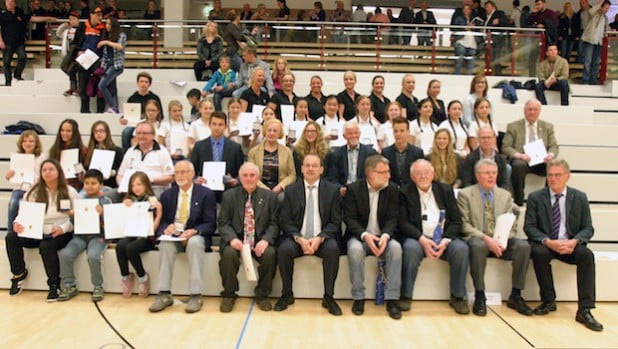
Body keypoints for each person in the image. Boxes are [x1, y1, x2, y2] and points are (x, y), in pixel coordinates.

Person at [524, 158, 603, 331]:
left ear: (568, 176)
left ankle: (585, 309)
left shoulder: (579, 197)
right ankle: (548, 300)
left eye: (557, 175)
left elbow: (588, 228)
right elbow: (529, 227)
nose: (553, 179)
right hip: (548, 243)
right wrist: (547, 241)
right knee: (538, 252)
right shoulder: (536, 197)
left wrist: (575, 241)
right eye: (550, 175)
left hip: (570, 244)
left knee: (587, 255)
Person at [457, 159, 533, 317]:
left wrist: (503, 240)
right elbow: (464, 225)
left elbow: (512, 224)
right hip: (479, 238)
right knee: (477, 246)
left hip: (500, 240)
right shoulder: (465, 194)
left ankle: (516, 294)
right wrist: (487, 239)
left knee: (523, 246)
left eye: (494, 173)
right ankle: (480, 294)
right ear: (478, 175)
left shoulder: (505, 195)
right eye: (487, 173)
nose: (491, 176)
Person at [398, 159, 470, 314]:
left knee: (461, 249)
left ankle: (458, 296)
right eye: (418, 173)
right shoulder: (404, 192)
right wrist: (422, 240)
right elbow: (403, 223)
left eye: (426, 173)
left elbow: (457, 220)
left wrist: (446, 240)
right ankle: (405, 295)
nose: (423, 176)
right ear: (412, 177)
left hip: (444, 238)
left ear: (433, 174)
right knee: (410, 249)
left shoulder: (445, 190)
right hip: (418, 238)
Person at [276, 154, 342, 315]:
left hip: (322, 238)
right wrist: (299, 238)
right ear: (302, 168)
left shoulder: (332, 190)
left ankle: (329, 296)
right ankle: (286, 294)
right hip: (298, 238)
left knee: (333, 250)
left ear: (321, 169)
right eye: (307, 165)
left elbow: (336, 221)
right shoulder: (291, 190)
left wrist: (319, 238)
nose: (311, 168)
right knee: (284, 250)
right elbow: (285, 220)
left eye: (314, 165)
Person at [148, 161, 216, 314]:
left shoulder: (206, 194)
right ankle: (164, 294)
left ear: (192, 174)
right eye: (177, 172)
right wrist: (167, 227)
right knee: (164, 245)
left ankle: (196, 295)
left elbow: (210, 224)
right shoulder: (167, 194)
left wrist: (194, 231)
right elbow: (163, 220)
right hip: (175, 237)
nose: (180, 175)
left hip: (195, 235)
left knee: (195, 244)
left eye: (184, 172)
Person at [8, 159, 80, 301]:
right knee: (11, 237)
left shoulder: (69, 191)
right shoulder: (33, 191)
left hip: (61, 231)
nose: (47, 172)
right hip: (37, 230)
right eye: (44, 170)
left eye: (50, 169)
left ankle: (54, 285)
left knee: (46, 246)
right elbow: (23, 213)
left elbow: (79, 218)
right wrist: (17, 223)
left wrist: (63, 228)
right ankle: (19, 274)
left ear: (58, 171)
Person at [344, 155, 402, 319]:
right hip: (360, 236)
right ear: (371, 174)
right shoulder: (354, 189)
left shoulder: (392, 189)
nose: (388, 176)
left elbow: (393, 218)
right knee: (355, 251)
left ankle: (392, 298)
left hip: (383, 236)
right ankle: (358, 297)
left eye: (388, 172)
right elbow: (349, 219)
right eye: (384, 172)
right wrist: (364, 235)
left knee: (396, 249)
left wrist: (385, 235)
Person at [218, 162, 279, 312]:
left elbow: (275, 223)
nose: (249, 178)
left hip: (259, 240)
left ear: (258, 177)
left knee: (270, 254)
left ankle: (262, 295)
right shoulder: (229, 196)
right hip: (237, 240)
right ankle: (229, 294)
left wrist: (265, 240)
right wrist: (232, 239)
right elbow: (223, 223)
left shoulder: (270, 197)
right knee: (228, 254)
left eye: (252, 175)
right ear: (239, 177)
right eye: (245, 175)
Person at [57, 169, 111, 302]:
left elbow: (112, 224)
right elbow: (74, 224)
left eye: (93, 183)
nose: (90, 186)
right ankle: (69, 285)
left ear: (101, 185)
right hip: (80, 236)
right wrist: (72, 215)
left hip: (98, 236)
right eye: (87, 183)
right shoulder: (79, 201)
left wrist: (102, 214)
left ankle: (98, 286)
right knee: (65, 254)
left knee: (93, 256)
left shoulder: (106, 201)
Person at [5, 131, 47, 293]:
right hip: (20, 189)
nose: (28, 144)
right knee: (15, 201)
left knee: (26, 202)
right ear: (21, 143)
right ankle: (13, 232)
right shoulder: (18, 157)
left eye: (31, 141)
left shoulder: (41, 157)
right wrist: (9, 175)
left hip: (35, 191)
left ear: (36, 143)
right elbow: (12, 177)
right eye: (25, 141)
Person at [501, 98, 559, 206]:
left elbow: (554, 146)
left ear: (539, 111)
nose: (532, 112)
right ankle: (519, 200)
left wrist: (550, 155)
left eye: (535, 110)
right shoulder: (513, 126)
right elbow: (506, 147)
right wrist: (519, 155)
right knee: (517, 165)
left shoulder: (547, 127)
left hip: (541, 160)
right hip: (523, 160)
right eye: (530, 109)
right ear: (524, 110)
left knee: (553, 164)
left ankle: (547, 199)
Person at [116, 171, 162, 297]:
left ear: (146, 185)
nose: (135, 188)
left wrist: (159, 214)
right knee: (120, 246)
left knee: (131, 248)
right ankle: (125, 276)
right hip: (132, 234)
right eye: (133, 185)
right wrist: (125, 206)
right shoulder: (130, 200)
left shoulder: (152, 200)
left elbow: (153, 229)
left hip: (148, 236)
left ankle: (143, 277)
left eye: (139, 184)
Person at [0, 0, 56, 86]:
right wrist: (0, 41)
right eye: (7, 1)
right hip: (7, 42)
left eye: (11, 1)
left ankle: (17, 75)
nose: (9, 3)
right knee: (7, 62)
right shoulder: (2, 15)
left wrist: (48, 18)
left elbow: (33, 18)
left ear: (15, 3)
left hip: (19, 42)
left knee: (23, 57)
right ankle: (8, 81)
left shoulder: (20, 13)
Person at [191, 111, 243, 199]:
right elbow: (192, 171)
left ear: (225, 126)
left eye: (220, 125)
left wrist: (236, 180)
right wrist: (195, 180)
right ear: (209, 125)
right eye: (214, 124)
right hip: (204, 191)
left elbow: (240, 172)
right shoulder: (199, 146)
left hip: (228, 191)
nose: (217, 128)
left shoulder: (235, 147)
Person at [116, 121, 175, 198]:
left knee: (149, 200)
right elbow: (120, 175)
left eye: (144, 133)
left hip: (154, 187)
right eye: (138, 133)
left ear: (153, 135)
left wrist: (149, 180)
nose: (141, 136)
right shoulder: (130, 151)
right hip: (131, 189)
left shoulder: (162, 151)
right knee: (108, 196)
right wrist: (123, 185)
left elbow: (171, 177)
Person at [325, 122, 377, 196]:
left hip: (363, 192)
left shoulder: (370, 152)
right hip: (343, 192)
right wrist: (340, 188)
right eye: (350, 133)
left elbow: (373, 175)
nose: (354, 136)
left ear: (360, 134)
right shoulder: (336, 154)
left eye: (356, 133)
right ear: (344, 136)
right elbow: (332, 177)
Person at [248, 119, 296, 197]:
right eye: (269, 130)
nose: (271, 133)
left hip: (279, 190)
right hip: (259, 188)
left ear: (279, 133)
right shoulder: (253, 152)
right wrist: (264, 188)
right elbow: (250, 174)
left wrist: (280, 187)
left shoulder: (287, 152)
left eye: (275, 131)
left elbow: (292, 175)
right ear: (265, 131)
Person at [120, 72, 164, 151]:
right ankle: (127, 153)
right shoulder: (132, 98)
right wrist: (123, 119)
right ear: (137, 83)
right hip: (135, 124)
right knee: (126, 132)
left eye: (146, 82)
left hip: (151, 122)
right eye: (141, 81)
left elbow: (161, 114)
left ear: (149, 84)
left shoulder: (155, 98)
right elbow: (126, 114)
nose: (143, 84)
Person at [73, 6, 106, 113]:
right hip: (84, 61)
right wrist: (78, 51)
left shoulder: (103, 29)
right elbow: (74, 43)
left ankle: (100, 112)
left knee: (100, 88)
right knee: (83, 88)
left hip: (98, 62)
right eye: (97, 15)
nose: (100, 18)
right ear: (91, 15)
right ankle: (84, 112)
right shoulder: (82, 27)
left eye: (101, 15)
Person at [382, 116, 423, 188]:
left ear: (408, 132)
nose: (398, 134)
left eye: (402, 131)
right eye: (396, 131)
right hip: (391, 192)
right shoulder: (385, 152)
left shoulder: (417, 152)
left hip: (411, 191)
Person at [48, 119, 87, 191]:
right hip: (57, 185)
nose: (64, 133)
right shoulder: (54, 150)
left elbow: (84, 173)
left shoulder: (82, 150)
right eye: (62, 130)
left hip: (76, 186)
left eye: (68, 131)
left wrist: (81, 174)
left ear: (74, 133)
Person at [97, 16, 126, 114]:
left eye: (109, 24)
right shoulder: (107, 36)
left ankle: (113, 107)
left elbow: (120, 47)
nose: (107, 26)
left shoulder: (121, 35)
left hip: (116, 64)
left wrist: (106, 42)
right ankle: (115, 109)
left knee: (102, 85)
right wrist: (102, 66)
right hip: (108, 64)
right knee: (112, 88)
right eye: (106, 24)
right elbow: (105, 55)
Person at [83, 120, 123, 190]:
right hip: (91, 187)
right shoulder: (89, 151)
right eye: (96, 131)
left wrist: (113, 172)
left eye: (101, 131)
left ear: (107, 133)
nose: (98, 133)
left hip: (110, 185)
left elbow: (121, 169)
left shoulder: (117, 150)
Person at [580, 0, 610, 85]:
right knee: (588, 61)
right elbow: (591, 11)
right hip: (590, 40)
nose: (607, 10)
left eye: (608, 8)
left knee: (596, 62)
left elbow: (606, 29)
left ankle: (593, 80)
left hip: (600, 42)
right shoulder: (595, 14)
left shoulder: (606, 18)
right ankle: (586, 80)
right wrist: (600, 3)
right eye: (606, 8)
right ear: (602, 7)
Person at [56, 11, 80, 96]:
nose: (72, 21)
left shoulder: (81, 29)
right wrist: (63, 26)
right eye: (70, 19)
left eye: (74, 19)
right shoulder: (67, 31)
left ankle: (79, 88)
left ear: (78, 20)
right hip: (69, 53)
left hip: (77, 53)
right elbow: (58, 33)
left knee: (78, 72)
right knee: (70, 71)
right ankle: (72, 87)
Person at [482, 1, 509, 76]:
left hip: (496, 39)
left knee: (495, 58)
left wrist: (499, 21)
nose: (486, 9)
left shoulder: (498, 13)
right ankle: (490, 72)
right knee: (490, 57)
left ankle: (496, 74)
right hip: (488, 40)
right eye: (486, 7)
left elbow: (506, 22)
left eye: (488, 7)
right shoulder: (487, 16)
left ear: (493, 7)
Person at [452, 4, 478, 75]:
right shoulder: (458, 18)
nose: (466, 10)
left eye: (467, 9)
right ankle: (457, 75)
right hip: (461, 40)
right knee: (459, 57)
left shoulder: (474, 19)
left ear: (470, 10)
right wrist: (464, 28)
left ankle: (469, 76)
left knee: (471, 60)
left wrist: (474, 27)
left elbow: (479, 29)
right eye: (464, 9)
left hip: (472, 41)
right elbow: (454, 28)